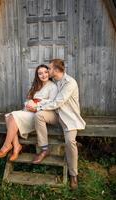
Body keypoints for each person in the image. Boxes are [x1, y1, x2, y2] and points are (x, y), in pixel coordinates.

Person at [26, 59, 86, 190]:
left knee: (70, 142)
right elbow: (50, 100)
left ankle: (73, 174)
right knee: (39, 115)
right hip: (57, 115)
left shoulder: (70, 83)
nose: (47, 71)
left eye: (50, 68)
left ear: (56, 70)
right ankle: (44, 148)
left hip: (69, 118)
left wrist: (37, 106)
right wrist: (36, 106)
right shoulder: (55, 82)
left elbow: (57, 102)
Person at [0, 64, 57, 161]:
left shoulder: (52, 87)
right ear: (37, 76)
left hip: (39, 113)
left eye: (45, 72)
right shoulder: (36, 86)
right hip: (28, 111)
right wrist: (28, 104)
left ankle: (6, 146)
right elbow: (28, 99)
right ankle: (16, 146)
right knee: (8, 117)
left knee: (13, 116)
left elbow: (52, 102)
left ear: (49, 73)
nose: (43, 75)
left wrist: (36, 104)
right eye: (40, 73)